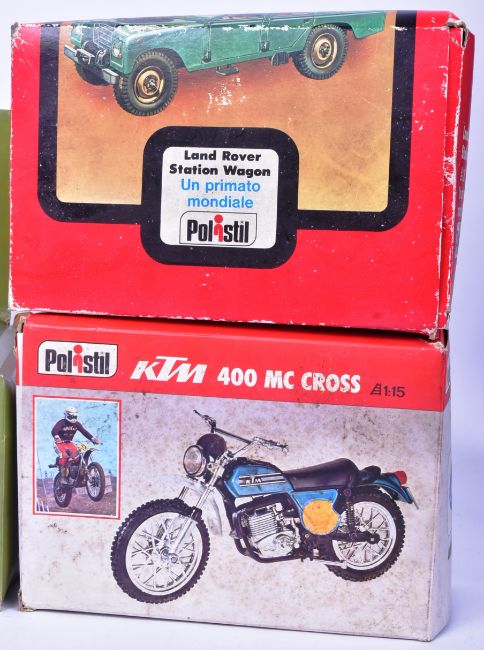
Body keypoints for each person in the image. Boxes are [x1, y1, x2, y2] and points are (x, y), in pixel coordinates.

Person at [51, 406, 100, 479]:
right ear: (66, 415)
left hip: (69, 443)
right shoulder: (62, 422)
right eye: (71, 416)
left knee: (77, 456)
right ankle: (63, 476)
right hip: (59, 443)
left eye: (75, 416)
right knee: (64, 455)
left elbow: (84, 432)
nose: (73, 418)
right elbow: (54, 430)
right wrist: (57, 437)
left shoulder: (77, 424)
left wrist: (93, 439)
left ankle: (74, 472)